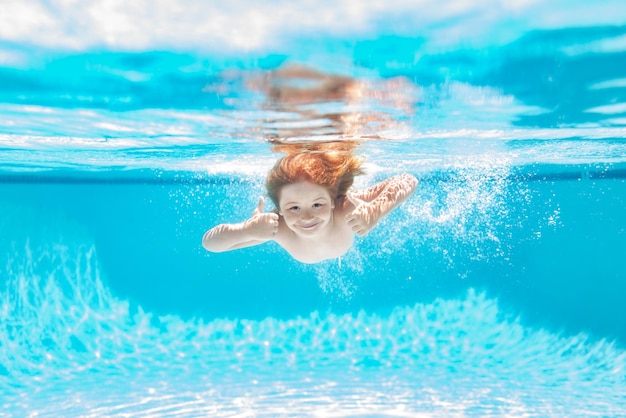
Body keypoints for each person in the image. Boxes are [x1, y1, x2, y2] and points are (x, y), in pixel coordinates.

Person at [202, 143, 418, 264]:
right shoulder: (277, 227)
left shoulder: (346, 209)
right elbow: (210, 244)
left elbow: (408, 180)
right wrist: (246, 230)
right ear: (279, 209)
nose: (306, 217)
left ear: (333, 199)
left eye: (317, 205)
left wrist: (377, 210)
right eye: (294, 208)